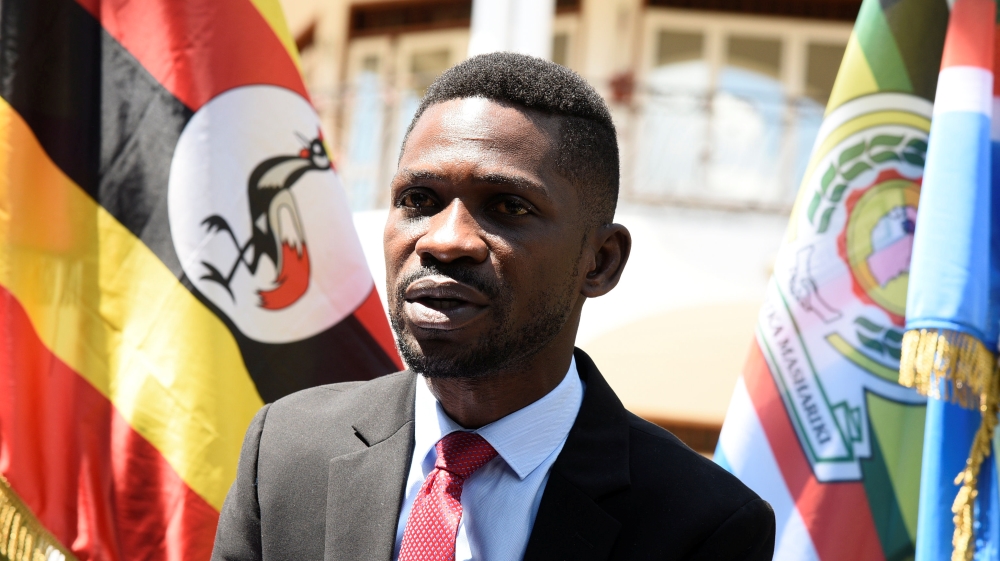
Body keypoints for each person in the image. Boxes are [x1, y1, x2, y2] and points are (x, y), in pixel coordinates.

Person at [211, 52, 775, 561]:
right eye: (417, 200)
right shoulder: (286, 451)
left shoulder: (703, 525)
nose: (443, 239)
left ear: (599, 262)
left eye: (507, 206)